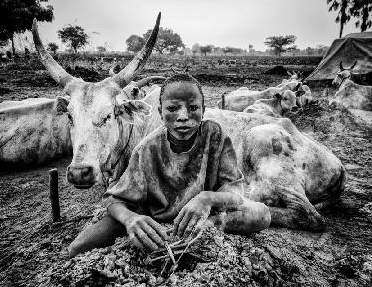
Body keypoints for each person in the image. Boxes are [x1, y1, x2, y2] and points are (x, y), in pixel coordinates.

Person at [68, 73, 270, 257]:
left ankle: (203, 229)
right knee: (77, 247)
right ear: (160, 111)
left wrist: (206, 198)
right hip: (153, 221)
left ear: (203, 110)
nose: (183, 116)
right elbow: (114, 200)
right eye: (172, 108)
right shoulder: (146, 148)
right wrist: (131, 220)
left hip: (205, 215)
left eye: (192, 108)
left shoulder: (215, 134)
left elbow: (235, 193)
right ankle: (170, 233)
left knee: (261, 215)